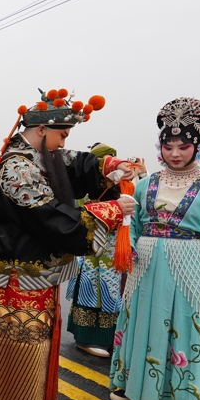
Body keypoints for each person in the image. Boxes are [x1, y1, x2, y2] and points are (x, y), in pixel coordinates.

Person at [0, 89, 131, 400]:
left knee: (34, 343)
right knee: (17, 344)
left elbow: (77, 162)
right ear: (41, 131)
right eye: (62, 134)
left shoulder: (41, 155)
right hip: (17, 274)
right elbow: (47, 217)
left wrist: (112, 167)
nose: (64, 142)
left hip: (35, 271)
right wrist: (110, 211)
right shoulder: (18, 167)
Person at [109, 97, 200, 400]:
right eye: (169, 146)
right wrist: (126, 242)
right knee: (140, 323)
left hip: (191, 265)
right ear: (160, 147)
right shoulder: (144, 183)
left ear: (199, 146)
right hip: (145, 266)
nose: (175, 153)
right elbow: (132, 227)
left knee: (186, 330)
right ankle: (132, 389)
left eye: (183, 146)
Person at [65, 143, 125, 358]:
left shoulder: (119, 185)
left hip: (114, 248)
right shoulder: (85, 185)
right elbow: (80, 212)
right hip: (92, 249)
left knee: (112, 290)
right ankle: (86, 338)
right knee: (91, 289)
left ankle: (109, 337)